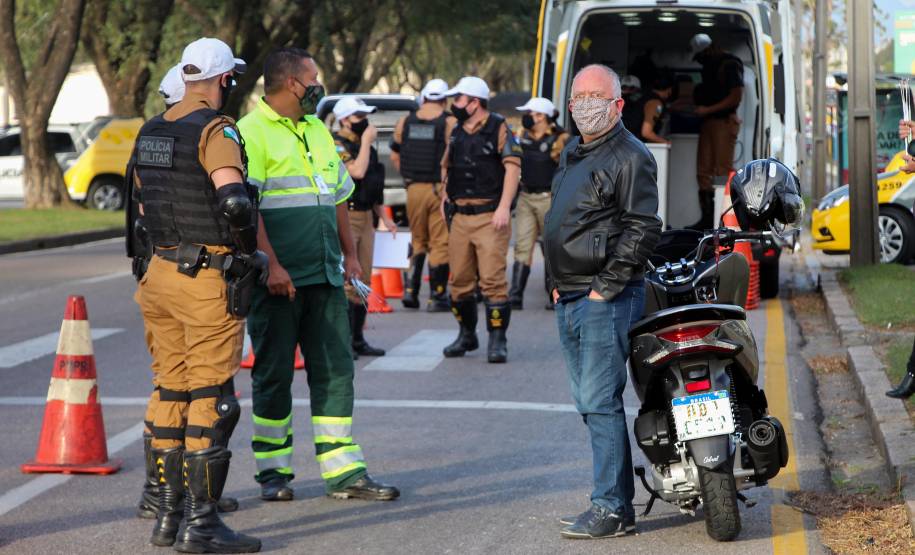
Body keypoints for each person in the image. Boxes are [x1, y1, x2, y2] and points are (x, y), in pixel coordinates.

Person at [237, 47, 399, 503]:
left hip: (326, 275)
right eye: (313, 77)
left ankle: (344, 473)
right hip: (279, 282)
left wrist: (350, 255)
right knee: (272, 375)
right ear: (292, 83)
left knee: (336, 371)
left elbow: (338, 195)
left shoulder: (317, 131)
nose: (317, 85)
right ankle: (273, 473)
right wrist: (270, 263)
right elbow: (249, 207)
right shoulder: (249, 133)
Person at [130, 37, 263, 553]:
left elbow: (143, 204)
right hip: (205, 278)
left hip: (159, 273)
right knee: (212, 396)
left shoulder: (153, 129)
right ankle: (203, 527)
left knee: (170, 390)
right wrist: (249, 254)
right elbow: (234, 202)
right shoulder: (216, 129)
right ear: (224, 79)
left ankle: (168, 517)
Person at [543, 64, 661, 539]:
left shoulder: (631, 156)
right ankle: (612, 504)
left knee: (600, 401)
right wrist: (556, 280)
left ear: (618, 103)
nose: (585, 104)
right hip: (569, 293)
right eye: (578, 96)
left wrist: (603, 287)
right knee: (589, 404)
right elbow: (560, 218)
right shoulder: (575, 151)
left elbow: (643, 227)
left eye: (596, 95)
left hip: (603, 296)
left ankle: (611, 507)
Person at [440, 76, 522, 363]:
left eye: (459, 100)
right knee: (460, 281)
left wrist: (503, 207)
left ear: (475, 103)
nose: (455, 105)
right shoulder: (455, 130)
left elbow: (512, 169)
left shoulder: (499, 127)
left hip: (490, 215)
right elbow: (446, 166)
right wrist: (443, 196)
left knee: (492, 281)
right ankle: (466, 335)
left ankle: (497, 341)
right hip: (460, 216)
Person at [332, 97, 397, 358]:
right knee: (347, 280)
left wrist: (385, 216)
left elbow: (370, 184)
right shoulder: (337, 144)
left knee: (364, 280)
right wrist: (368, 143)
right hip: (346, 216)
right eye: (359, 117)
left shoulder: (362, 144)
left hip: (366, 216)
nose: (365, 122)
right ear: (345, 120)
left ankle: (358, 339)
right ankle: (344, 340)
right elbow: (356, 173)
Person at [390, 78, 455, 312]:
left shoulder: (405, 121)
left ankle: (411, 291)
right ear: (445, 99)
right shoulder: (450, 122)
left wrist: (410, 178)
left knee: (418, 240)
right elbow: (452, 158)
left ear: (424, 96)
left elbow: (395, 155)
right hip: (439, 189)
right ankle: (437, 297)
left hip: (413, 189)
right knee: (440, 242)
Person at [510, 97, 569, 311]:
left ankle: (553, 294)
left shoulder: (560, 138)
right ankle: (515, 295)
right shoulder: (521, 136)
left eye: (530, 113)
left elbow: (567, 168)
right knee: (522, 246)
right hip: (526, 197)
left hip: (549, 199)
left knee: (550, 248)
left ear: (541, 116)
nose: (526, 117)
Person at [690, 33, 744, 230]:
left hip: (722, 121)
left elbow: (735, 97)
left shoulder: (729, 65)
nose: (701, 61)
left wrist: (708, 109)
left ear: (709, 49)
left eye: (701, 55)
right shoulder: (710, 67)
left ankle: (722, 222)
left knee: (721, 171)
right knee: (703, 173)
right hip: (708, 122)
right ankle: (707, 220)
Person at [622, 74, 674, 144]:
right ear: (669, 90)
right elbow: (646, 133)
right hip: (632, 145)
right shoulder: (656, 103)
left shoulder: (641, 97)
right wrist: (666, 142)